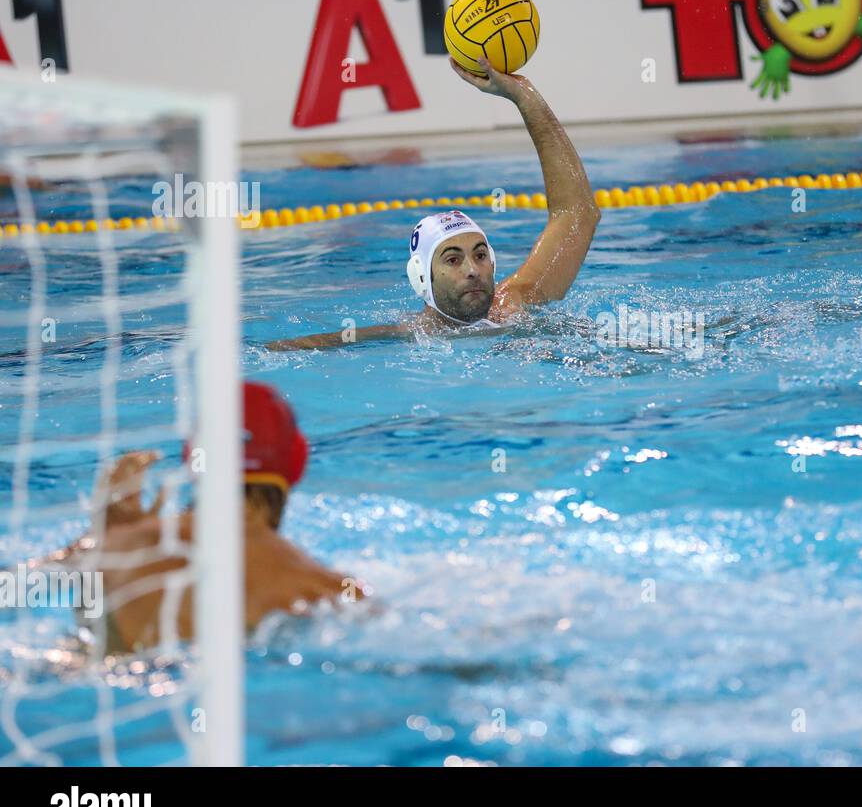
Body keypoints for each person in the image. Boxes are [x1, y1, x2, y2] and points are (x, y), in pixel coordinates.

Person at [268, 56, 602, 350]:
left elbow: (578, 213)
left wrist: (524, 97)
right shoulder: (407, 336)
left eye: (480, 255)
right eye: (453, 260)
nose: (473, 271)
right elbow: (294, 347)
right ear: (422, 278)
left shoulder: (515, 303)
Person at [25, 382, 365, 653]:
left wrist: (98, 535)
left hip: (88, 673)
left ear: (191, 461)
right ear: (298, 464)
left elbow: (15, 588)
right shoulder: (325, 587)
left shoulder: (117, 543)